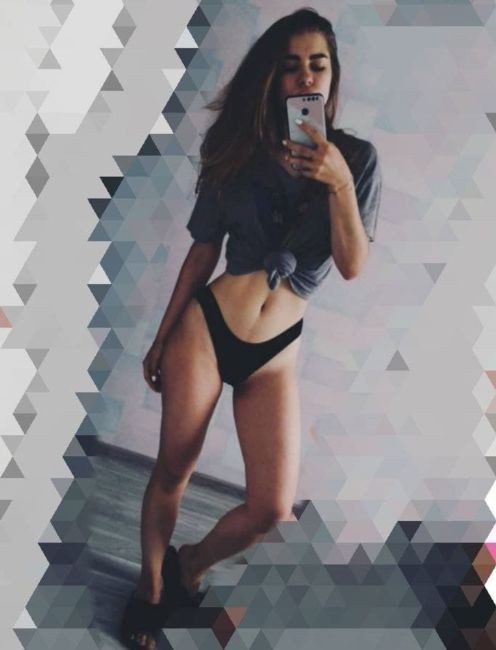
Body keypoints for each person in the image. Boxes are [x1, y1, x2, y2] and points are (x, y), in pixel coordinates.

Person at [120, 7, 382, 648]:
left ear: (332, 75)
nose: (305, 77)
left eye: (317, 64)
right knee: (173, 470)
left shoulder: (356, 161)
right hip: (207, 332)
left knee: (270, 508)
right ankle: (149, 592)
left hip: (276, 353)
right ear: (273, 75)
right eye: (291, 65)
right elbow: (203, 250)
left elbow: (352, 266)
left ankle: (189, 564)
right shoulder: (236, 148)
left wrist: (338, 184)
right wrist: (161, 335)